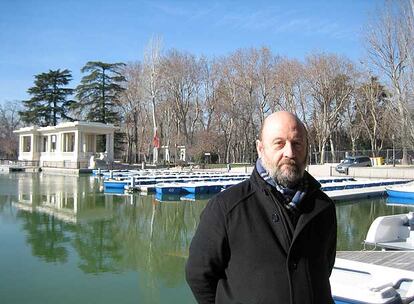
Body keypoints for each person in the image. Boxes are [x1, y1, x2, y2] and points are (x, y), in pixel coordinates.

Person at [185, 111, 337, 304]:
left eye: (297, 143)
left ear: (306, 148)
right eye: (279, 143)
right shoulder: (226, 208)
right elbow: (199, 275)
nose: (289, 152)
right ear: (260, 148)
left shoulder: (323, 207)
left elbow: (325, 267)